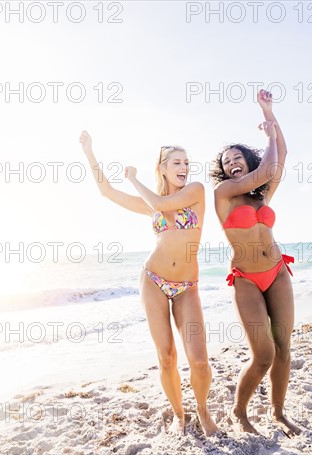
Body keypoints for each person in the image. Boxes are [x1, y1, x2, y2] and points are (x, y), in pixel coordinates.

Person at [79, 131, 218, 435]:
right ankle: (179, 414)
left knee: (199, 360)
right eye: (177, 162)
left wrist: (134, 179)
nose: (184, 167)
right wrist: (89, 151)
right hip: (153, 280)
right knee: (166, 356)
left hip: (186, 287)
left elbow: (162, 206)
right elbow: (106, 191)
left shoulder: (195, 191)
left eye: (186, 162)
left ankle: (203, 411)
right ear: (163, 169)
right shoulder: (150, 202)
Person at [210, 89, 301, 437]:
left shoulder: (263, 193)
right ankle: (240, 410)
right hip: (246, 279)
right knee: (263, 355)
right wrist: (268, 137)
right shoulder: (222, 195)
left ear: (247, 159)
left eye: (237, 157)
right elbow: (269, 166)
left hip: (278, 273)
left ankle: (279, 412)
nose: (232, 162)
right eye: (226, 161)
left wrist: (270, 113)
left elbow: (282, 156)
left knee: (283, 349)